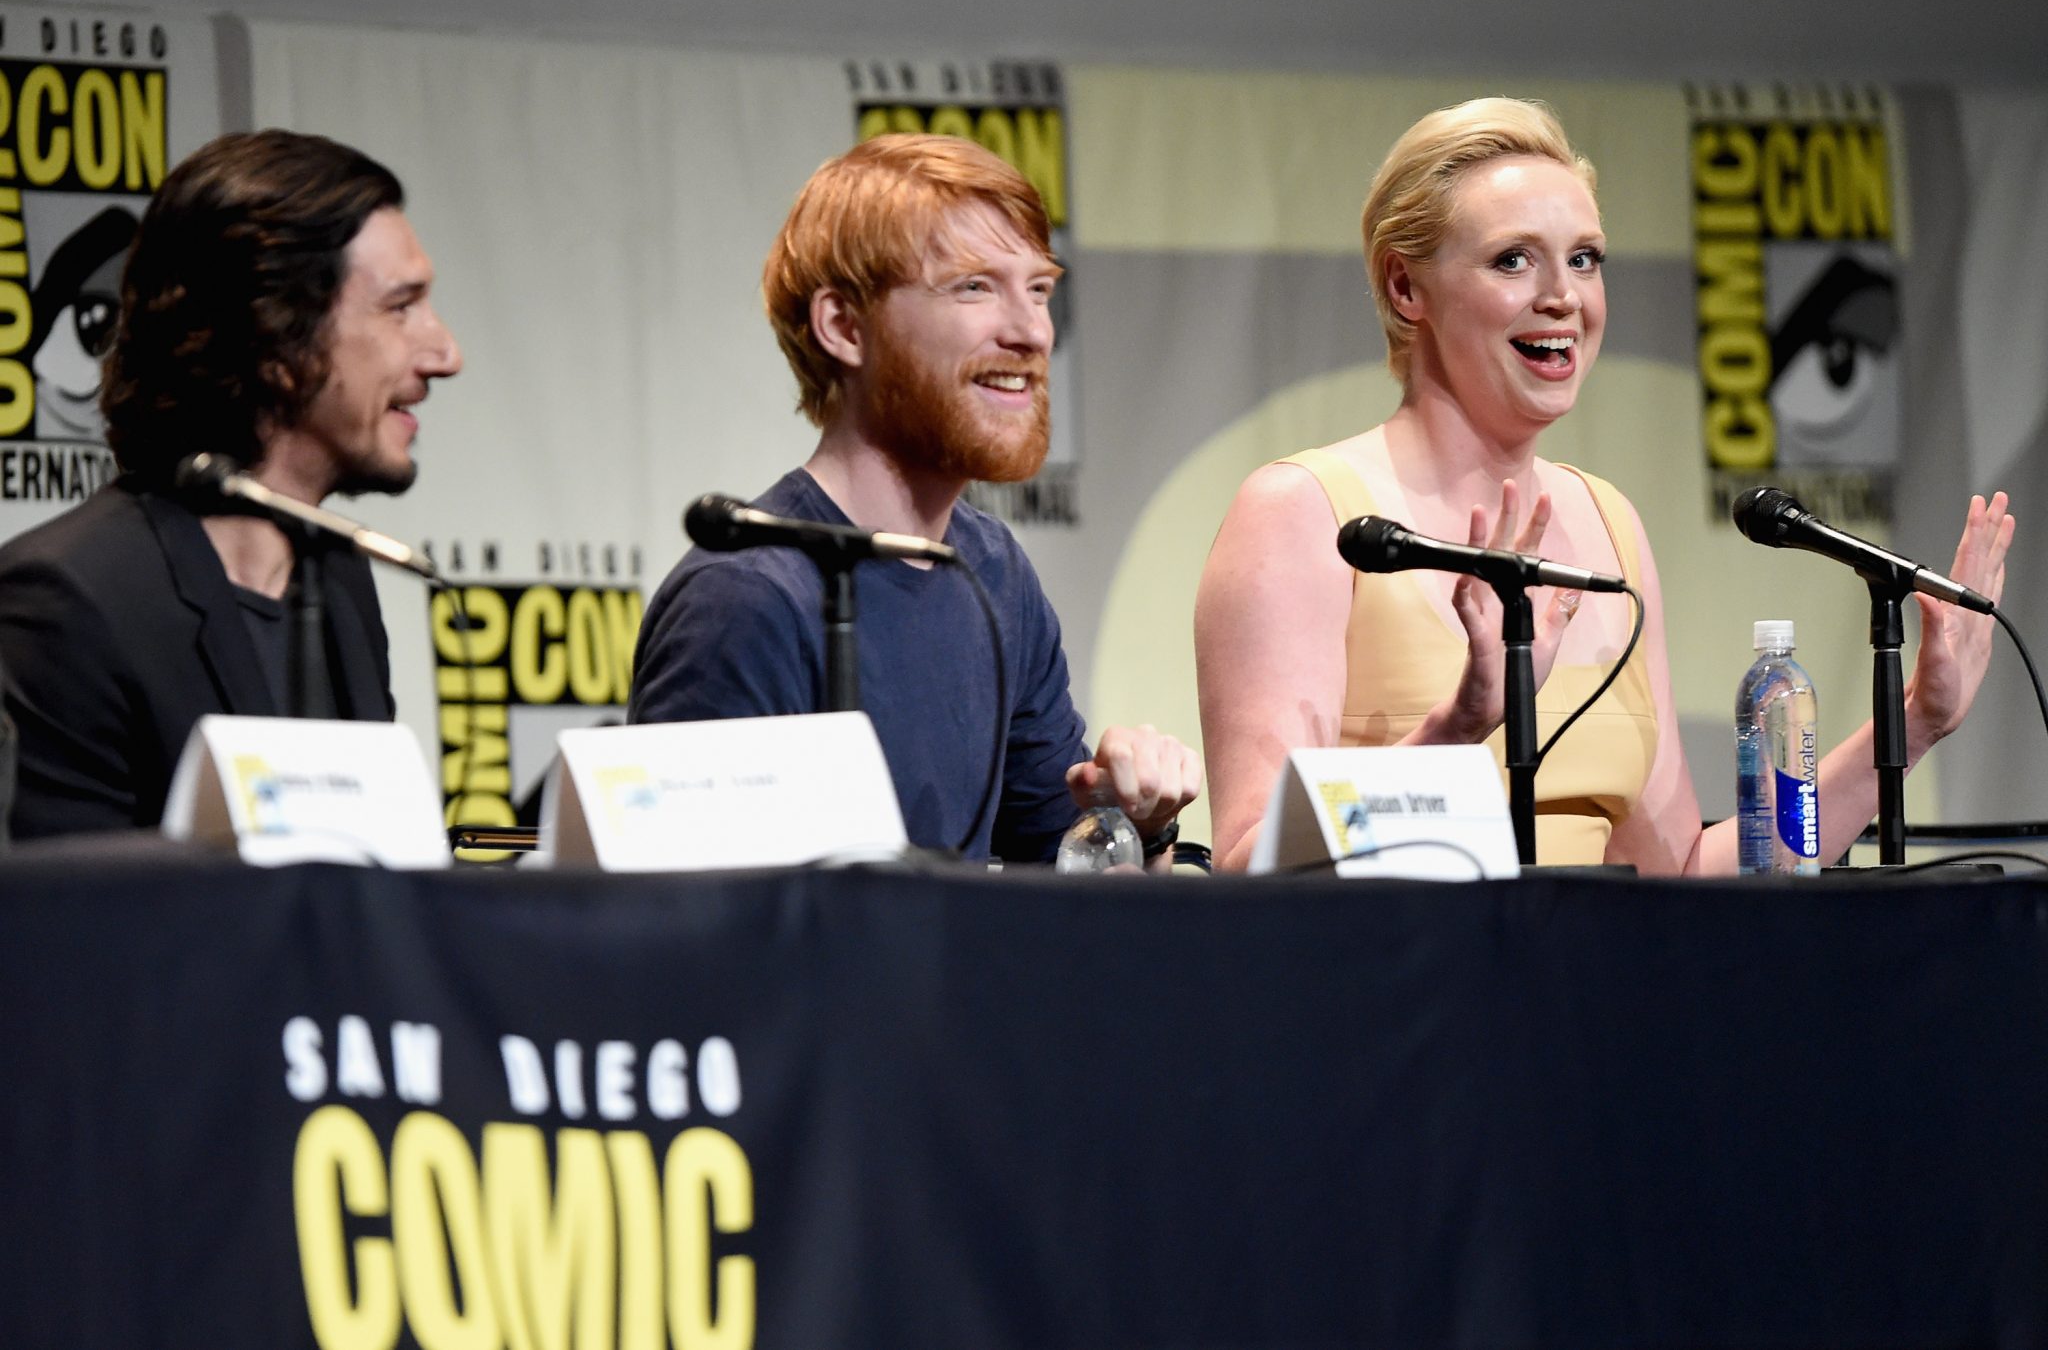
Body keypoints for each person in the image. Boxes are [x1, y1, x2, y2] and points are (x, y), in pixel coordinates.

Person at [1194, 97, 2013, 873]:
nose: (1563, 298)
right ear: (1407, 288)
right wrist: (1460, 725)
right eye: (1513, 259)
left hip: (1591, 973)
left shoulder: (1606, 524)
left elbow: (1680, 870)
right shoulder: (1303, 513)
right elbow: (1248, 862)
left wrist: (1915, 722)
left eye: (1584, 259)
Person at [630, 133, 1200, 868]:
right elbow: (688, 920)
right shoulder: (745, 600)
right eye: (974, 286)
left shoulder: (994, 571)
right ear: (844, 327)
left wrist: (1141, 826)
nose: (1032, 332)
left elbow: (1061, 878)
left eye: (1038, 289)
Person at [0, 130, 462, 839]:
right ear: (278, 338)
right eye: (400, 308)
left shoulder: (337, 582)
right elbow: (72, 902)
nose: (445, 354)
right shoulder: (66, 602)